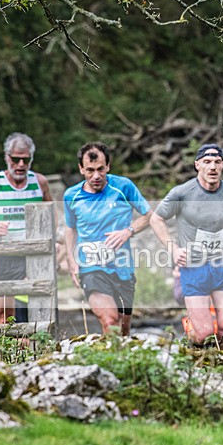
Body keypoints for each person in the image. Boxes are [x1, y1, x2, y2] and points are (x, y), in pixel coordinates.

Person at [150, 143, 223, 350]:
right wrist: (173, 248)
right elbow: (156, 219)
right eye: (207, 162)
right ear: (197, 165)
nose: (212, 167)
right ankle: (192, 339)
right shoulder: (182, 193)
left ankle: (221, 370)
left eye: (217, 162)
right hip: (193, 267)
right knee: (204, 334)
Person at [64, 142, 152, 336]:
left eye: (100, 169)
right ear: (81, 169)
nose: (96, 176)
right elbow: (70, 229)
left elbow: (148, 216)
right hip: (92, 267)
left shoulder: (123, 186)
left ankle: (114, 363)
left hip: (122, 267)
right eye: (90, 170)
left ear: (108, 166)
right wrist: (71, 260)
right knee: (110, 320)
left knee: (123, 328)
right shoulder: (71, 196)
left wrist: (127, 231)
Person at [0, 132, 53, 323]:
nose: (20, 165)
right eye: (15, 159)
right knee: (5, 314)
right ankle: (7, 352)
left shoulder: (40, 182)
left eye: (25, 160)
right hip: (4, 253)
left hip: (32, 254)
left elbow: (51, 216)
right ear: (7, 157)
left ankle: (37, 350)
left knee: (34, 309)